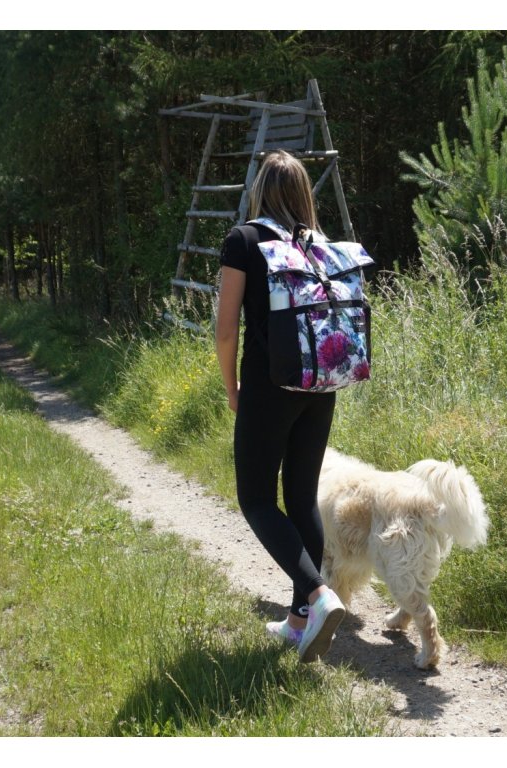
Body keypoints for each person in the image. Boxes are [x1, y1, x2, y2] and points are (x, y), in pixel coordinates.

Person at [215, 150, 346, 663]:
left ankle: (317, 596)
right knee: (301, 499)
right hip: (322, 383)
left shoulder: (244, 240)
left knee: (255, 499)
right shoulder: (321, 246)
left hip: (270, 388)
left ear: (259, 189)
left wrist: (232, 388)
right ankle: (298, 624)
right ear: (302, 195)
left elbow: (226, 330)